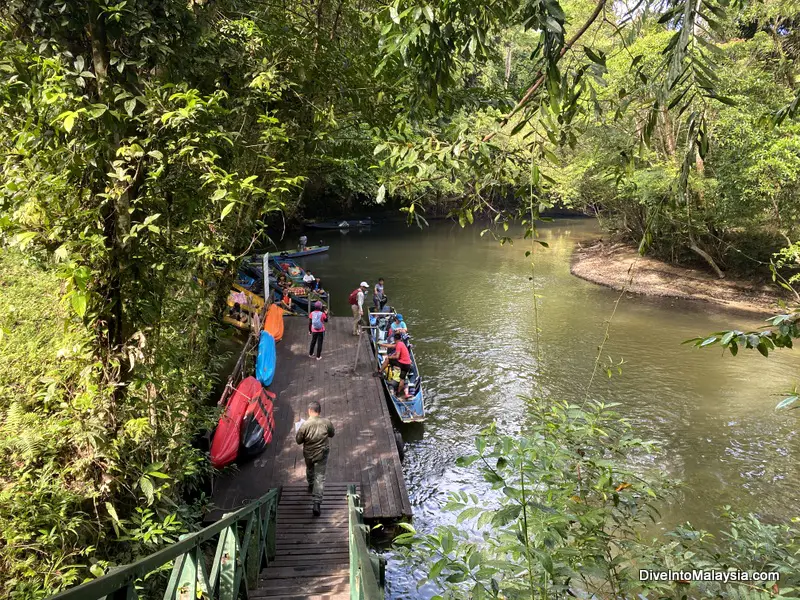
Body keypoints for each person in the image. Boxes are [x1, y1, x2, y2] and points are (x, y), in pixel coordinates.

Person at [295, 401, 335, 516]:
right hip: (322, 453)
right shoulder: (326, 422)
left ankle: (311, 484)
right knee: (320, 476)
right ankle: (316, 502)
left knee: (309, 468)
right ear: (319, 411)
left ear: (309, 411)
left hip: (308, 453)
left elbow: (298, 441)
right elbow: (332, 434)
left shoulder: (304, 425)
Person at [376, 332, 413, 399]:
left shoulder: (398, 345)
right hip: (407, 365)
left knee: (387, 360)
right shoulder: (401, 344)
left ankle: (380, 371)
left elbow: (397, 356)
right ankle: (398, 394)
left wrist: (389, 357)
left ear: (395, 339)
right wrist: (382, 345)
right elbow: (391, 346)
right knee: (402, 379)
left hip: (402, 363)